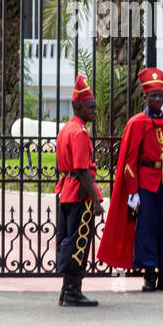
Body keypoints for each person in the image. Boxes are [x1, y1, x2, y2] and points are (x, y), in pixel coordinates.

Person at [96, 67, 163, 291]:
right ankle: (149, 276)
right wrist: (133, 191)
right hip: (146, 183)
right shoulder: (137, 123)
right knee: (146, 229)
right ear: (145, 97)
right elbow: (129, 161)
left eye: (160, 96)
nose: (158, 99)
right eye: (153, 96)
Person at [54, 74, 105, 307]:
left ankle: (66, 290)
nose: (94, 111)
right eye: (91, 107)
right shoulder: (80, 133)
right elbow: (83, 169)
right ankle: (74, 291)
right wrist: (95, 200)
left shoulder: (66, 129)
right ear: (78, 106)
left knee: (67, 239)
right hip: (79, 193)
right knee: (79, 241)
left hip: (66, 190)